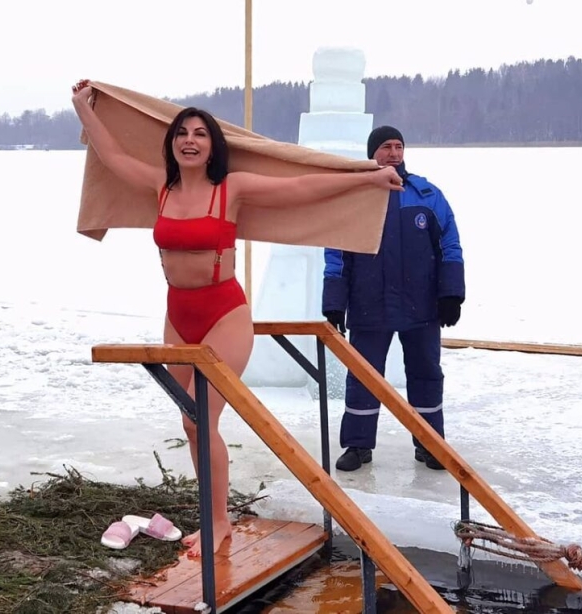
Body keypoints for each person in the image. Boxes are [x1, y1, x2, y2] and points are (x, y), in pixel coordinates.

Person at [71, 80, 404, 556]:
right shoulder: (161, 186)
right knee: (190, 423)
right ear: (171, 143)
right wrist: (84, 107)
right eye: (182, 133)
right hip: (177, 315)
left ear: (213, 146)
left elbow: (301, 187)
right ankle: (215, 515)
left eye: (200, 134)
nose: (189, 140)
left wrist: (367, 178)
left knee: (200, 419)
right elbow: (112, 156)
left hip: (224, 314)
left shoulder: (231, 188)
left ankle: (218, 523)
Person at [322, 126, 465, 472]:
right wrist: (334, 301)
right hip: (369, 305)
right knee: (363, 376)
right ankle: (358, 445)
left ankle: (431, 445)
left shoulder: (427, 195)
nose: (393, 153)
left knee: (426, 374)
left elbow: (449, 244)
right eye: (386, 147)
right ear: (372, 152)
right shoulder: (355, 198)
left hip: (422, 306)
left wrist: (451, 293)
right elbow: (337, 252)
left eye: (398, 146)